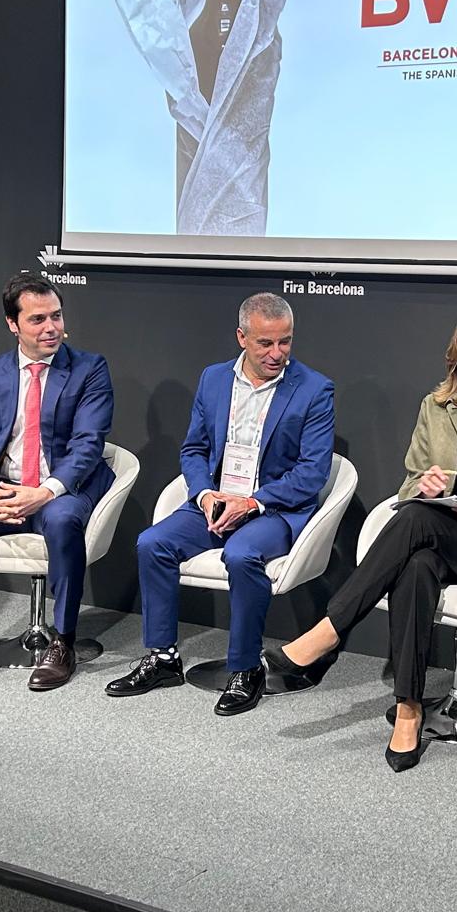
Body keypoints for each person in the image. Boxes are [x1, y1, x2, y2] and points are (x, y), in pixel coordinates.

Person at [269, 303, 457, 771]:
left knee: (416, 521)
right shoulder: (435, 406)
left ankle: (329, 630)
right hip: (439, 537)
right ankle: (408, 710)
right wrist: (425, 487)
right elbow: (411, 482)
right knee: (416, 563)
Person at [106, 293, 334, 717]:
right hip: (215, 501)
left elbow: (312, 473)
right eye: (265, 343)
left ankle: (246, 669)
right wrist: (206, 495)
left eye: (285, 341)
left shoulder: (314, 389)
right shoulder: (213, 379)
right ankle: (162, 658)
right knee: (152, 543)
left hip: (273, 508)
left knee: (242, 554)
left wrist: (251, 502)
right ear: (242, 337)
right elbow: (194, 450)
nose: (277, 353)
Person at [0, 274, 114, 693]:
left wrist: (44, 492)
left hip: (59, 490)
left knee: (64, 520)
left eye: (56, 316)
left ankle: (62, 641)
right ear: (13, 324)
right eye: (37, 319)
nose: (51, 328)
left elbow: (88, 445)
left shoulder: (89, 369)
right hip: (4, 489)